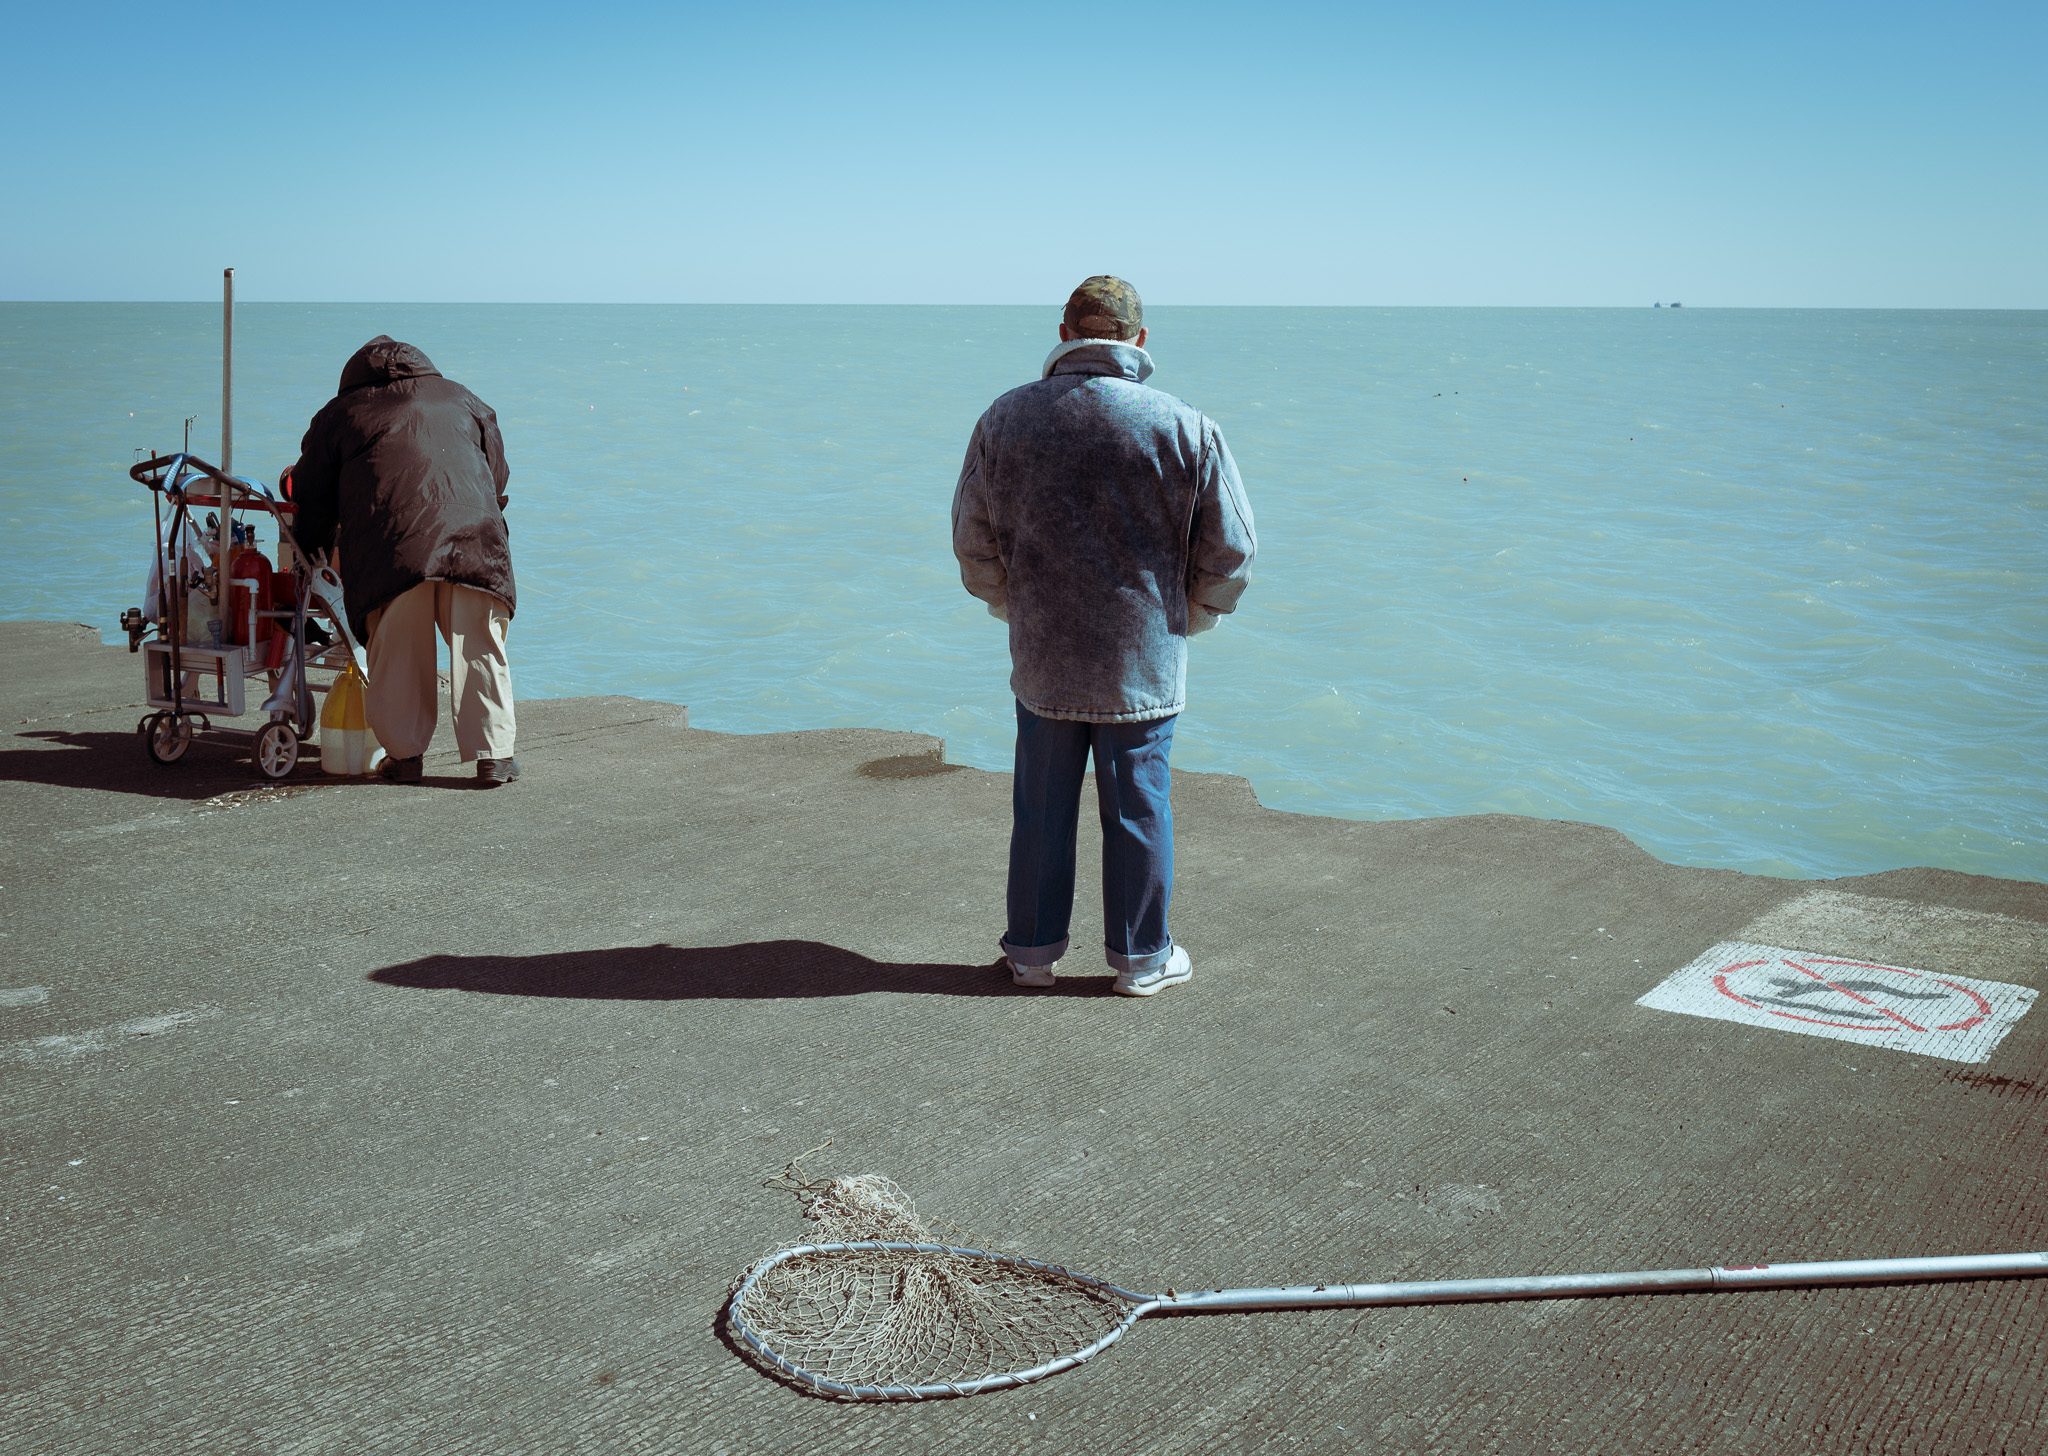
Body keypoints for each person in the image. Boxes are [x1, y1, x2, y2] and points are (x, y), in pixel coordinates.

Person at [951, 277, 1256, 996]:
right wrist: (1195, 615)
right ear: (1139, 341)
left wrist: (1012, 607)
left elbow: (972, 541)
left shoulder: (1005, 418)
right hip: (1142, 656)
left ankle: (1029, 956)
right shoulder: (1186, 425)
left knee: (1042, 808)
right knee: (1139, 807)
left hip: (1045, 652)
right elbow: (1233, 550)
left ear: (1064, 332)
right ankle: (1142, 961)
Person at [290, 336, 520, 786]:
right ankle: (493, 755)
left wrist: (310, 551)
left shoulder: (341, 413)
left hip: (391, 544)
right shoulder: (465, 399)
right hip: (475, 534)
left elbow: (310, 496)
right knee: (478, 642)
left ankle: (406, 756)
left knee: (398, 644)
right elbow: (498, 475)